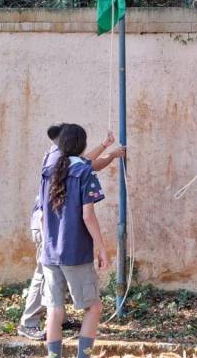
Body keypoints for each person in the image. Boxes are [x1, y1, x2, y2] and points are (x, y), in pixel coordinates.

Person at [17, 124, 124, 341]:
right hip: (51, 227)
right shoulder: (55, 159)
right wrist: (101, 247)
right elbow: (88, 168)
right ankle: (29, 322)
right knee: (44, 274)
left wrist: (106, 148)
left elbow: (86, 164)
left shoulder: (64, 160)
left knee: (56, 280)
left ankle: (59, 321)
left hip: (54, 225)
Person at [39, 123, 112, 358]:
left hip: (50, 252)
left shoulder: (48, 170)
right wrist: (101, 247)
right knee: (93, 307)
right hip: (75, 251)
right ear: (81, 145)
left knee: (54, 311)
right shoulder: (84, 171)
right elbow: (87, 216)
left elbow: (43, 213)